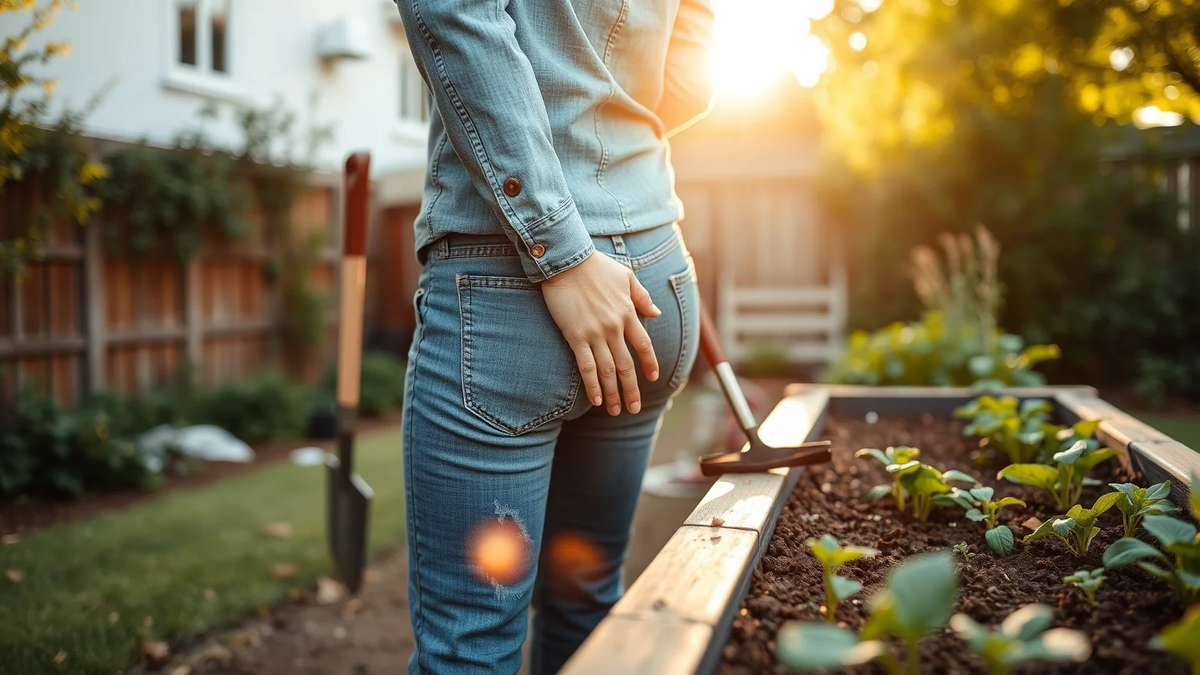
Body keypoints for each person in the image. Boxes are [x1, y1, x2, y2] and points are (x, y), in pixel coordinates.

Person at [394, 0, 715, 672]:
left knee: (470, 643)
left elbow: (453, 18)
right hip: (654, 276)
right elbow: (688, 81)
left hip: (509, 295)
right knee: (586, 600)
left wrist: (563, 250)